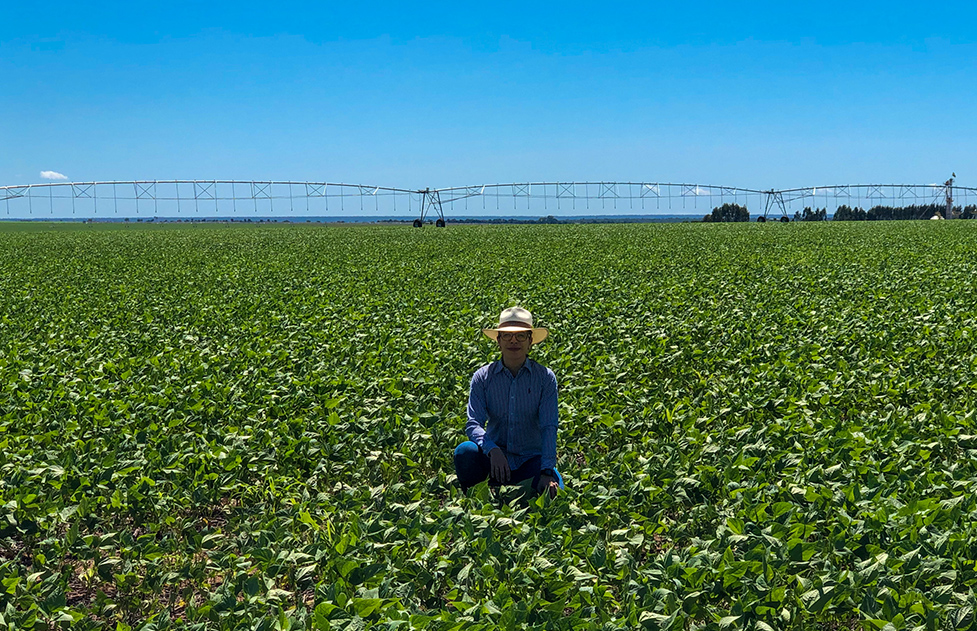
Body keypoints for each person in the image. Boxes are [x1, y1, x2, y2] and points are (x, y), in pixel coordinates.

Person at [454, 307, 564, 498]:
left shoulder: (545, 378)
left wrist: (546, 471)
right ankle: (475, 496)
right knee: (465, 452)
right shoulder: (483, 378)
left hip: (530, 460)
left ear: (530, 341)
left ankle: (512, 487)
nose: (514, 341)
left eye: (521, 336)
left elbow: (549, 426)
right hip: (494, 459)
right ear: (498, 341)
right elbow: (473, 424)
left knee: (555, 492)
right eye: (507, 336)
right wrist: (493, 450)